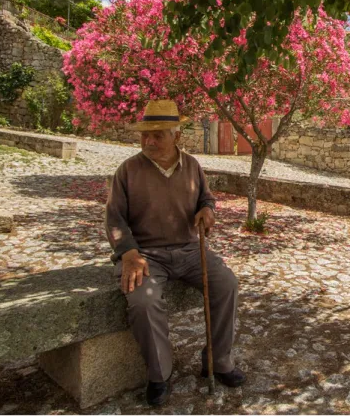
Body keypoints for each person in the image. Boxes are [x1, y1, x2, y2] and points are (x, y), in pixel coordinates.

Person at [105, 99, 245, 406]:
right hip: (146, 255)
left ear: (176, 136)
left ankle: (218, 362)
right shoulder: (128, 171)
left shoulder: (192, 166)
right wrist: (128, 254)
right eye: (145, 134)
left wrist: (207, 211)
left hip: (189, 249)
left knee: (227, 285)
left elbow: (206, 200)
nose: (149, 141)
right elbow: (115, 220)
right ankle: (160, 373)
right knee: (144, 300)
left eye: (158, 134)